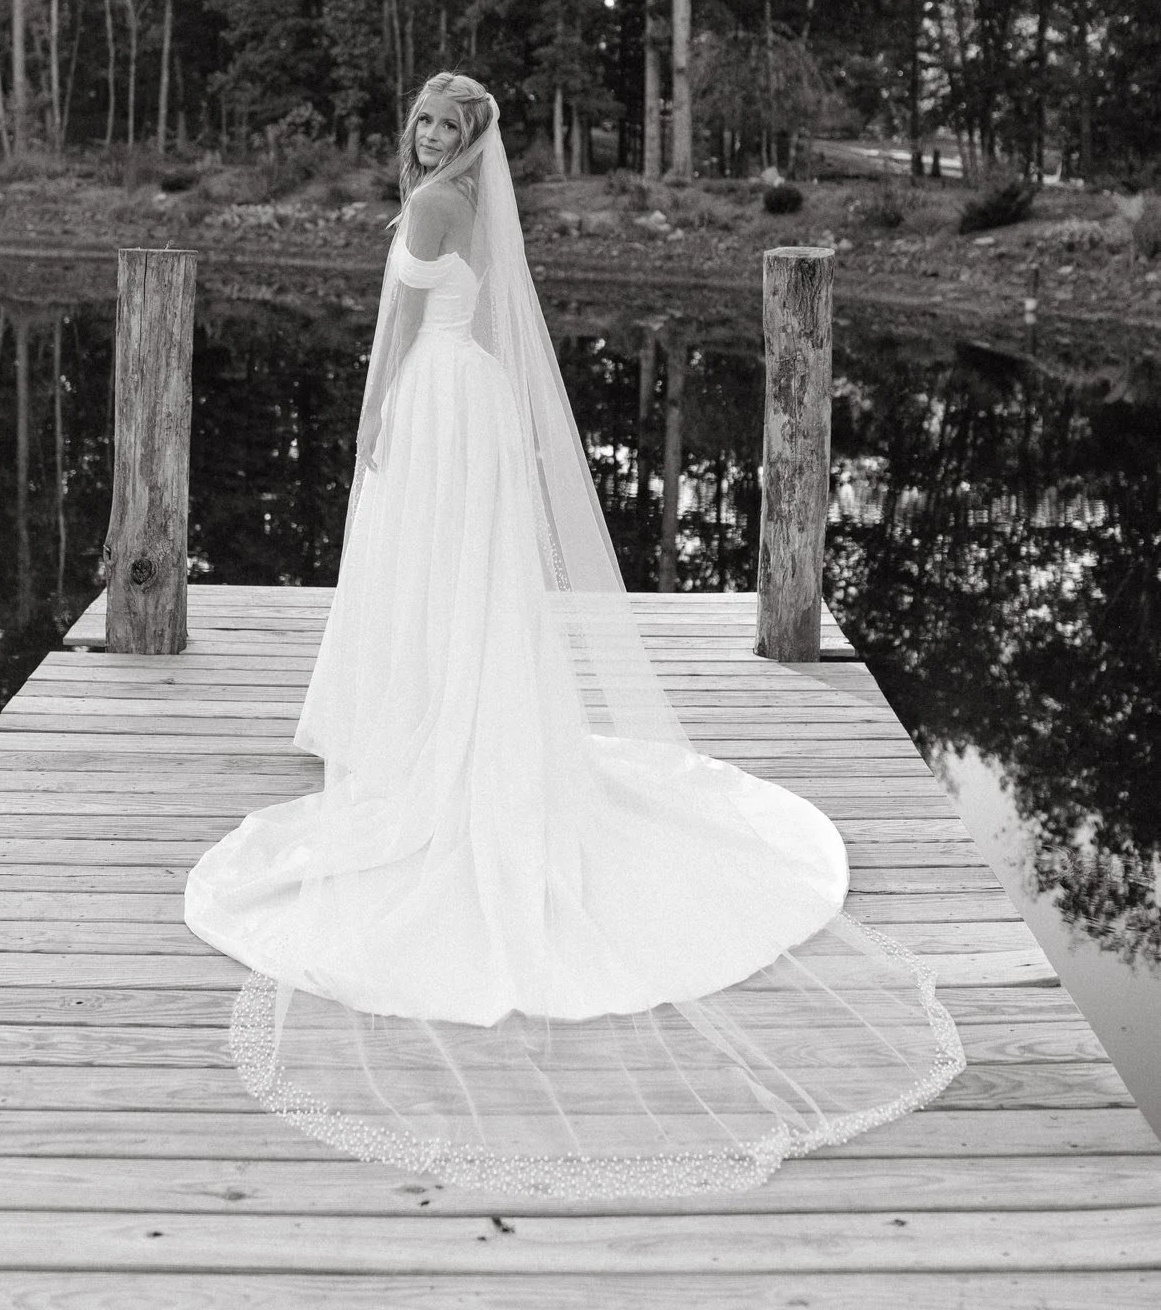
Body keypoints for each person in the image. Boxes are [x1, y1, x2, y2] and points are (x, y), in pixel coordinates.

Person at [185, 72, 964, 1197]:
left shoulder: (432, 204)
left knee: (427, 575)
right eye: (424, 120)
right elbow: (476, 316)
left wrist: (368, 421)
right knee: (464, 582)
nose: (430, 135)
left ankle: (429, 732)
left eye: (448, 124)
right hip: (474, 398)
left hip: (435, 399)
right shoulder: (471, 204)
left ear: (470, 138)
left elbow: (395, 332)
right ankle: (442, 718)